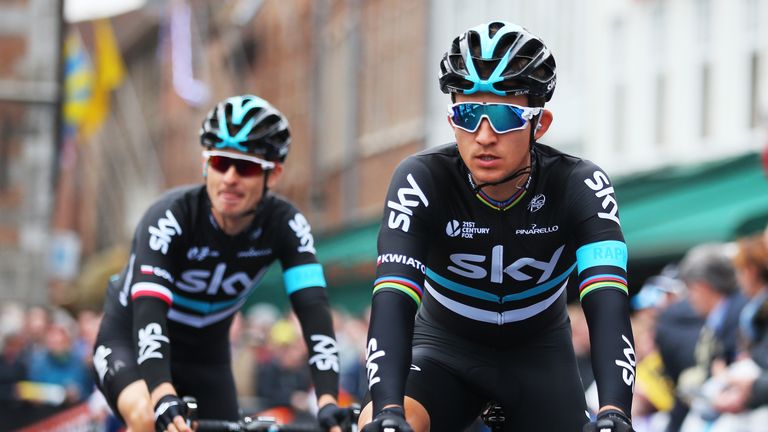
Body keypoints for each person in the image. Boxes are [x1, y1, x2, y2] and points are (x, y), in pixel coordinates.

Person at [358, 21, 635, 432]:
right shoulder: (421, 179)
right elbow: (392, 300)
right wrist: (386, 411)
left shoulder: (580, 184)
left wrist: (614, 411)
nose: (483, 136)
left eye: (504, 117)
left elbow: (609, 303)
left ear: (539, 124)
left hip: (539, 356)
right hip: (442, 351)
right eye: (467, 114)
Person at [91, 95, 346, 432]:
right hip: (131, 341)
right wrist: (163, 394)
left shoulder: (286, 224)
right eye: (219, 162)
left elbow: (313, 309)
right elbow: (149, 312)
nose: (229, 177)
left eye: (247, 167)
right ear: (205, 165)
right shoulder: (170, 217)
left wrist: (326, 400)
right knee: (148, 417)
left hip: (208, 355)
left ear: (275, 173)